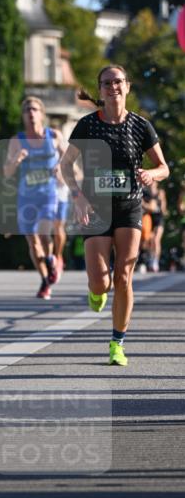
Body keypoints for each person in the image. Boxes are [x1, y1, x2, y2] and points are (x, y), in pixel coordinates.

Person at [60, 65, 169, 366]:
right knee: (100, 282)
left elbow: (164, 167)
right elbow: (66, 165)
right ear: (100, 90)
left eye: (118, 81)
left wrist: (151, 174)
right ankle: (97, 291)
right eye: (106, 83)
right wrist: (77, 196)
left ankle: (117, 342)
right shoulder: (86, 125)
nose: (113, 87)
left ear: (127, 86)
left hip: (129, 205)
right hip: (95, 207)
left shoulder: (141, 126)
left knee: (124, 275)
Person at [3, 97, 68, 300]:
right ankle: (45, 279)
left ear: (42, 114)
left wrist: (61, 168)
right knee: (32, 242)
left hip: (49, 193)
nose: (31, 113)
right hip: (26, 196)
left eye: (35, 109)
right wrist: (16, 160)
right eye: (27, 110)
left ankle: (51, 259)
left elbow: (70, 158)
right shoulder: (17, 140)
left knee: (44, 233)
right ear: (23, 116)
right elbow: (7, 172)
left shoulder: (54, 136)